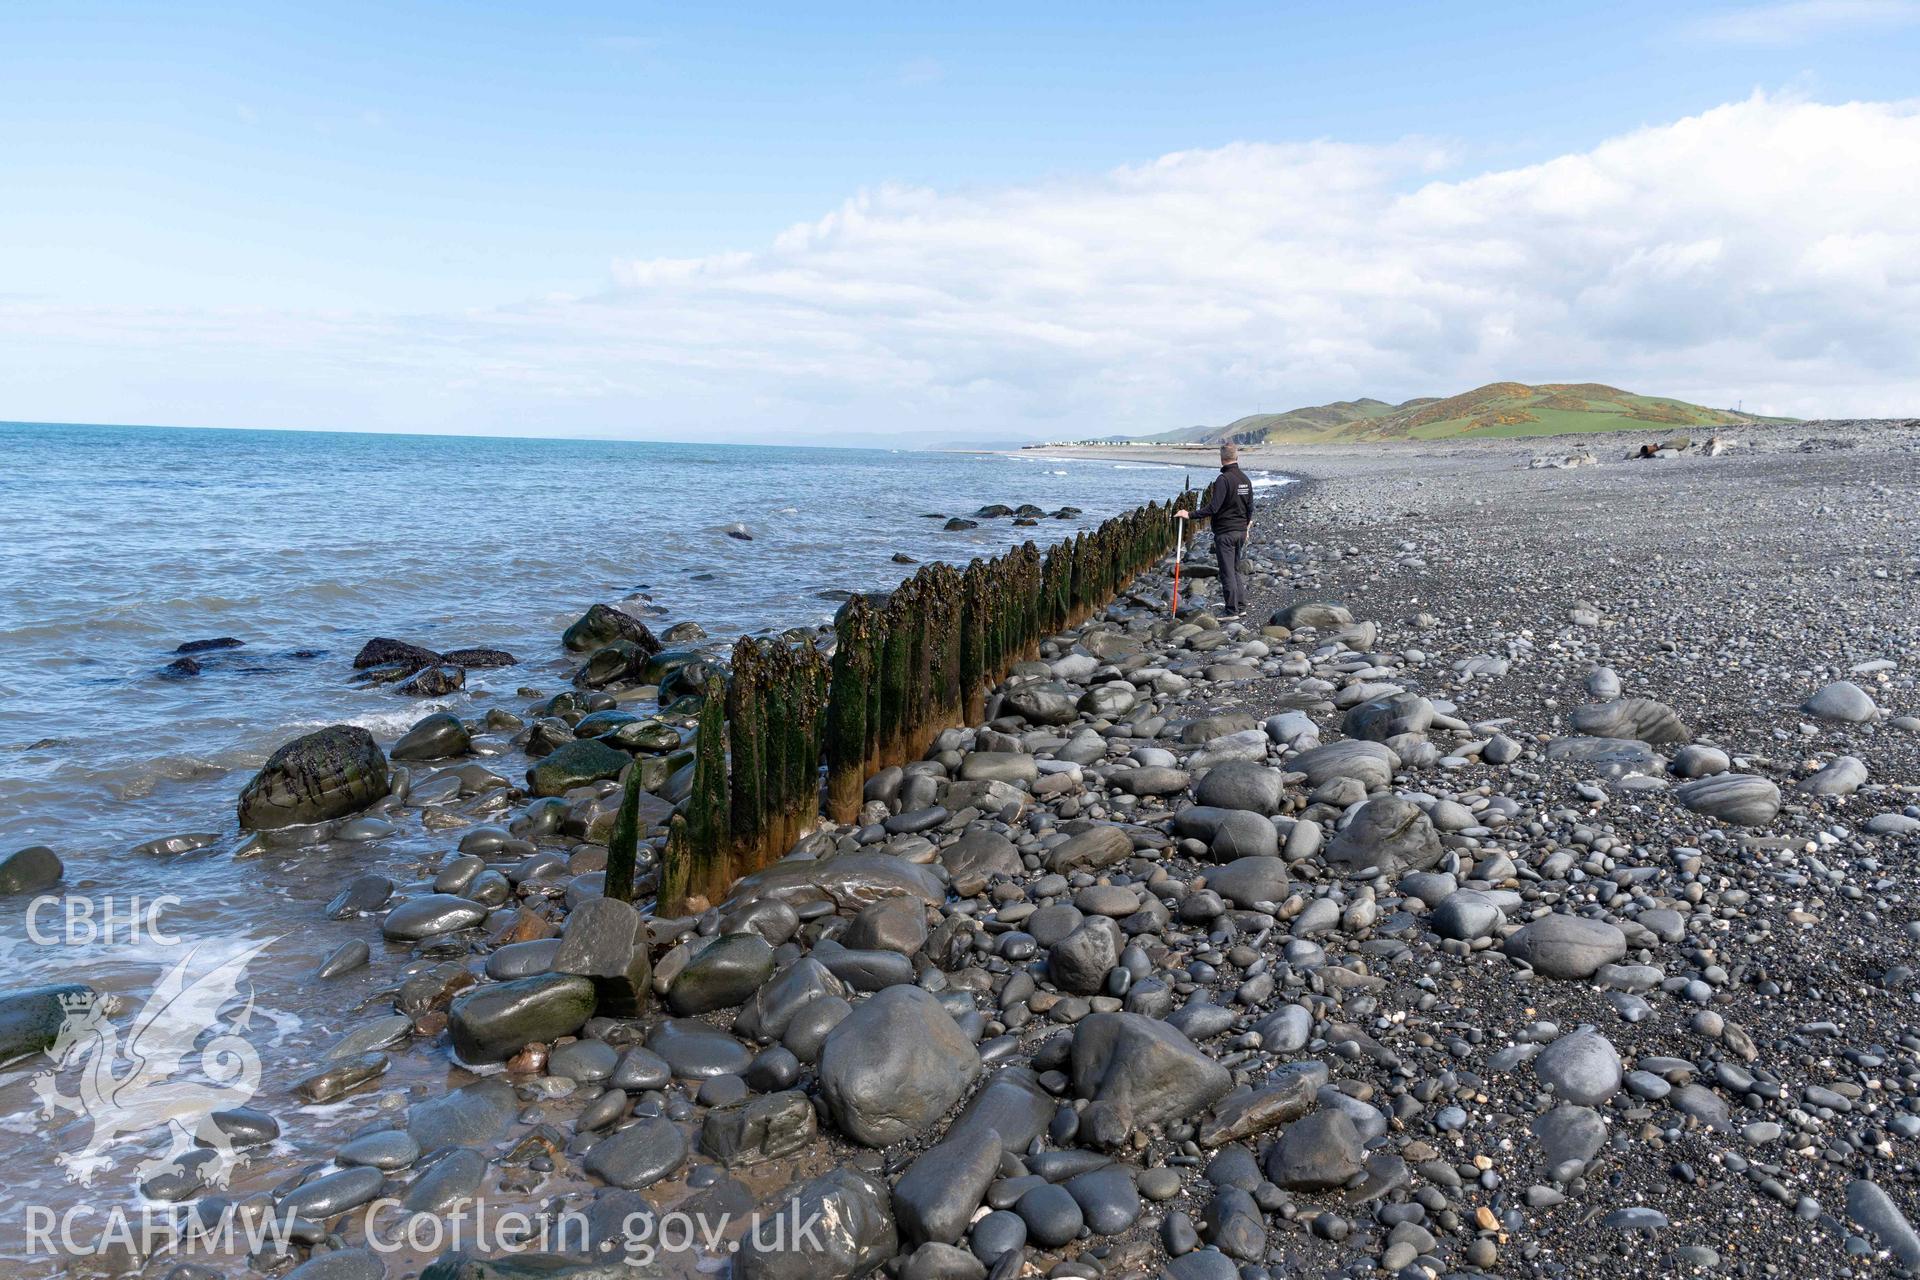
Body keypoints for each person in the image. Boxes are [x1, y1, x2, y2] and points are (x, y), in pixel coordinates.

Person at [1176, 442, 1256, 617]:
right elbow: (1250, 507)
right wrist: (1247, 526)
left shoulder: (1223, 480)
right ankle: (1240, 606)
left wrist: (1189, 514)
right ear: (1237, 457)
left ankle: (1231, 610)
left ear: (1221, 458)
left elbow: (1213, 508)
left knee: (1227, 572)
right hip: (1241, 531)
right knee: (1234, 569)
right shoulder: (1245, 479)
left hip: (1226, 533)